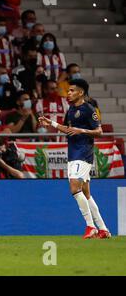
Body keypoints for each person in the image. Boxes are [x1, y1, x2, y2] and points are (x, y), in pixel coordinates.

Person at [38, 79, 111, 239]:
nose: (68, 93)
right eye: (68, 90)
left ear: (81, 92)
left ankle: (90, 226)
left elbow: (99, 131)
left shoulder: (89, 109)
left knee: (74, 187)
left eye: (71, 90)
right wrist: (50, 122)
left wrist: (81, 131)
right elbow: (68, 129)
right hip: (73, 153)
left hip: (84, 153)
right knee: (86, 193)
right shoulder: (70, 110)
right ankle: (103, 229)